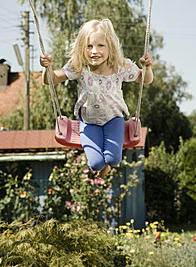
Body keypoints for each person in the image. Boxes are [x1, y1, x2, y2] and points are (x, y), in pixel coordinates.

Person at [40, 19, 154, 177]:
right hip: (89, 122)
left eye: (101, 45)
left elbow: (145, 80)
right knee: (95, 164)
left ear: (110, 47)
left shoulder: (120, 67)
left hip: (114, 119)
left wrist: (147, 67)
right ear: (82, 47)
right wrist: (47, 68)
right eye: (89, 46)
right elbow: (50, 80)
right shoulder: (80, 67)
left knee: (113, 159)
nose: (95, 51)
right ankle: (102, 166)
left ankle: (108, 164)